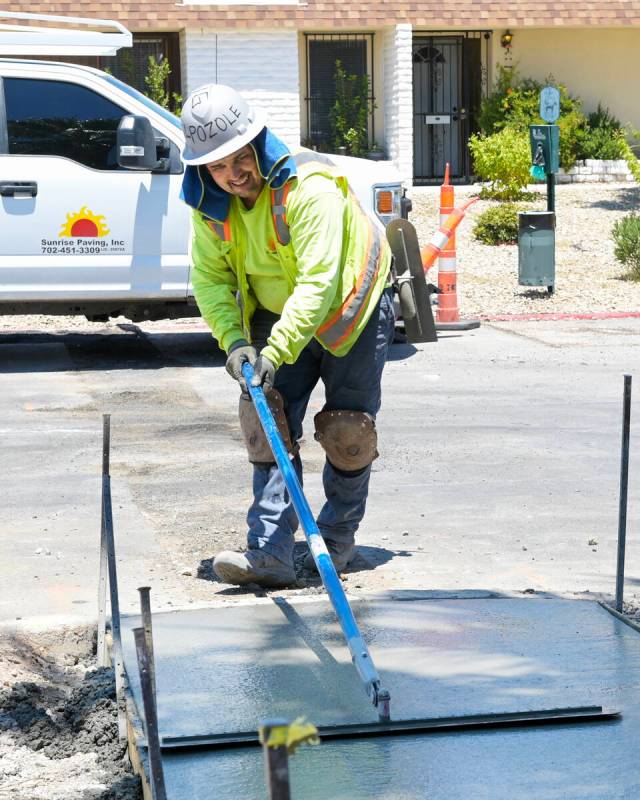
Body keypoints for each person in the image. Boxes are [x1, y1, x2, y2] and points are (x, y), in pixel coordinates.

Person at [180, 83, 395, 588]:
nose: (231, 176)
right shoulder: (211, 209)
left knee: (348, 430)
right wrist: (235, 344)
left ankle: (335, 541)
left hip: (349, 307)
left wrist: (276, 350)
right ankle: (271, 552)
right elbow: (210, 281)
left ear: (257, 145)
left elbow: (319, 284)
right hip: (280, 308)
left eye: (238, 160)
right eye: (216, 167)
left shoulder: (308, 188)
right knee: (265, 417)